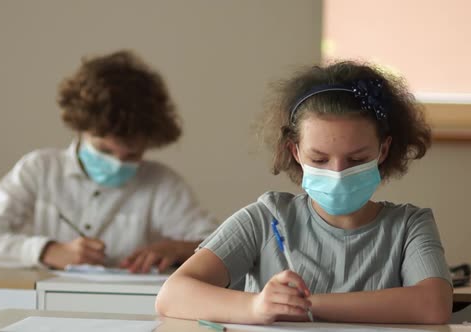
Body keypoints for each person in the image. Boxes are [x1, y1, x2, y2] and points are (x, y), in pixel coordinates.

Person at [156, 61, 452, 324]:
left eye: (357, 159)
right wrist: (257, 306)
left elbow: (433, 305)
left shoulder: (410, 225)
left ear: (383, 150)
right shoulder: (265, 218)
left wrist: (304, 305)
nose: (337, 173)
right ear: (295, 152)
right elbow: (172, 295)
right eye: (320, 159)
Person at [0, 50, 218, 273]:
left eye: (131, 155)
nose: (118, 163)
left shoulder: (162, 184)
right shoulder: (39, 170)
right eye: (105, 150)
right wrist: (47, 251)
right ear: (80, 128)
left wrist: (177, 249)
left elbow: (220, 244)